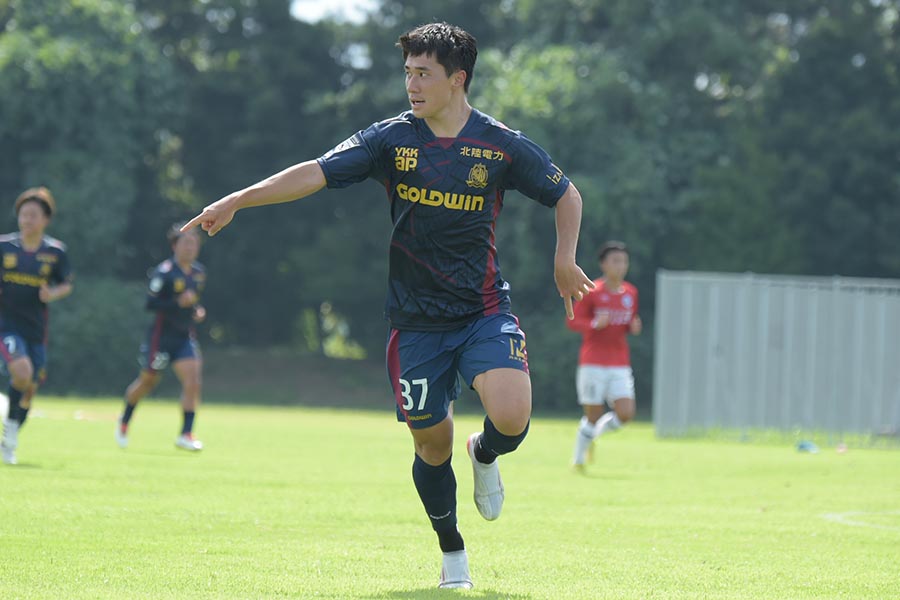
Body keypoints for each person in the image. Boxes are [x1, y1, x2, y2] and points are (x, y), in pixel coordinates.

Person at [182, 22, 594, 589]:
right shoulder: (390, 140)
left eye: (424, 73)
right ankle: (452, 551)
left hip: (482, 311)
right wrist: (239, 199)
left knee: (511, 416)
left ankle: (485, 453)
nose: (412, 85)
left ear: (457, 79)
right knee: (432, 444)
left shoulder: (499, 144)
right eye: (408, 73)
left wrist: (564, 258)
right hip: (415, 322)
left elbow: (566, 193)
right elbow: (316, 172)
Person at [116, 223, 207, 452]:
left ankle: (186, 434)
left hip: (184, 337)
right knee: (148, 381)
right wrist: (177, 303)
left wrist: (196, 310)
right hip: (160, 338)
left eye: (194, 243)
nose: (190, 248)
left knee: (193, 380)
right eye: (186, 243)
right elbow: (150, 304)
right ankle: (125, 420)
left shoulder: (198, 273)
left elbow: (191, 303)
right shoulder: (164, 272)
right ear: (174, 246)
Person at [0, 187, 73, 465]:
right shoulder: (4, 247)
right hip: (6, 325)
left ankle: (9, 438)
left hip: (36, 330)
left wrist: (52, 293)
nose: (27, 220)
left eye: (33, 215)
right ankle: (10, 433)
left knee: (29, 390)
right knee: (22, 371)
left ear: (45, 219)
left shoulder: (55, 252)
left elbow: (66, 284)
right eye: (23, 214)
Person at [567, 240, 641, 470]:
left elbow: (628, 322)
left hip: (620, 362)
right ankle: (578, 460)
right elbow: (573, 321)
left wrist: (633, 327)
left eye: (624, 261)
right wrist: (593, 323)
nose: (620, 266)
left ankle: (592, 437)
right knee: (593, 414)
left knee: (626, 413)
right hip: (593, 362)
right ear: (603, 264)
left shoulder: (631, 292)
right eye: (615, 261)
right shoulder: (592, 291)